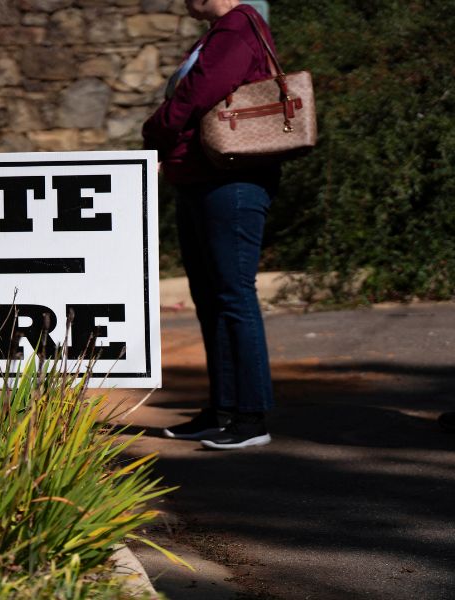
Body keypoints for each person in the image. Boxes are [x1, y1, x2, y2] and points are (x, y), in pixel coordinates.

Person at [143, 0, 279, 450]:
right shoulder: (220, 32)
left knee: (234, 296)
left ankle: (252, 416)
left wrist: (155, 128)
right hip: (204, 179)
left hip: (232, 183)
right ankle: (223, 410)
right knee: (211, 298)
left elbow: (197, 94)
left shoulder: (237, 28)